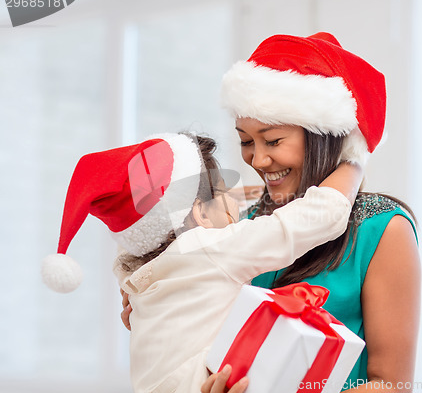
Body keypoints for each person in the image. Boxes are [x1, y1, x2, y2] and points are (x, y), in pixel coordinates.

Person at [122, 33, 420, 392]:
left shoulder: (381, 230)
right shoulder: (239, 222)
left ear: (324, 136)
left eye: (273, 140)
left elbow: (392, 384)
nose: (258, 160)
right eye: (246, 141)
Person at [42, 131, 364, 392]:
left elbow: (164, 218)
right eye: (225, 191)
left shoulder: (139, 268)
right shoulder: (211, 248)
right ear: (199, 212)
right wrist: (353, 160)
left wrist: (229, 195)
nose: (237, 204)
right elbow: (314, 218)